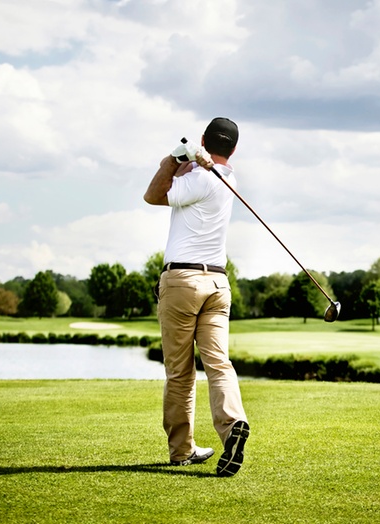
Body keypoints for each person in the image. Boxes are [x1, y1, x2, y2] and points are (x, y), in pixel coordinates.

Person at [143, 117, 249, 477]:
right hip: (217, 284)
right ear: (233, 149)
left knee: (180, 372)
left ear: (204, 139)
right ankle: (233, 423)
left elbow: (154, 194)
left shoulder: (200, 178)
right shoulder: (228, 179)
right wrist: (193, 159)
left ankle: (181, 450)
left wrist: (174, 157)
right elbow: (196, 172)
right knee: (219, 363)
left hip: (182, 281)